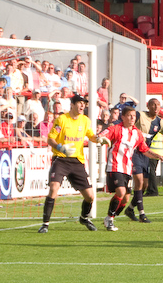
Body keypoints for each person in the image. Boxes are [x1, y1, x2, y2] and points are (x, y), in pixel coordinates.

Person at [38, 94, 111, 233]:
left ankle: (84, 218)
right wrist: (60, 147)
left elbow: (91, 136)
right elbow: (51, 139)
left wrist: (100, 139)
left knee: (90, 196)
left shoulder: (85, 120)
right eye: (79, 103)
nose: (82, 105)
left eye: (84, 103)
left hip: (77, 161)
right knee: (54, 187)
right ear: (72, 104)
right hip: (61, 159)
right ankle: (45, 224)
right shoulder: (62, 119)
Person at [99, 106, 163, 231]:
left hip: (127, 168)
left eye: (134, 116)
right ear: (123, 117)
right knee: (121, 192)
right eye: (129, 115)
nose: (132, 118)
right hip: (114, 166)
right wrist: (100, 137)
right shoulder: (117, 129)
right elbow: (104, 133)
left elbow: (144, 149)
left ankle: (111, 217)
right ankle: (109, 219)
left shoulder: (136, 133)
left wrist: (158, 156)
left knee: (126, 198)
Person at [128, 98, 163, 219]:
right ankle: (142, 214)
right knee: (139, 181)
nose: (156, 107)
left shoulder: (159, 122)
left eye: (158, 105)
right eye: (153, 105)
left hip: (146, 154)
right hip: (134, 152)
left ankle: (130, 209)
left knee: (144, 185)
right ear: (148, 106)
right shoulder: (140, 115)